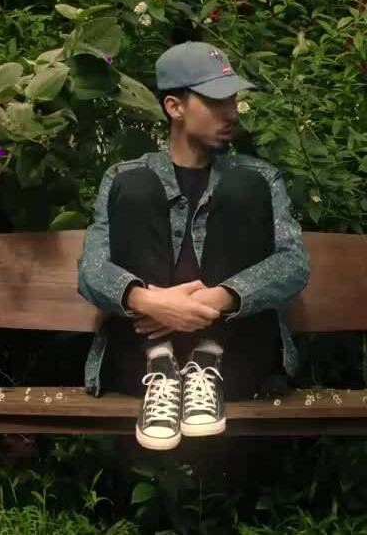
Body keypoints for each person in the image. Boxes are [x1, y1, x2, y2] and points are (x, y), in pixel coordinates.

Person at [77, 41, 309, 451]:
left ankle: (206, 357)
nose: (231, 112)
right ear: (174, 107)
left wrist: (217, 300)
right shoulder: (123, 177)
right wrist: (150, 302)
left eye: (233, 100)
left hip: (235, 359)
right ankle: (162, 365)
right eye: (217, 101)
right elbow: (91, 270)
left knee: (243, 185)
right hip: (143, 367)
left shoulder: (259, 178)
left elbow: (293, 264)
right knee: (136, 185)